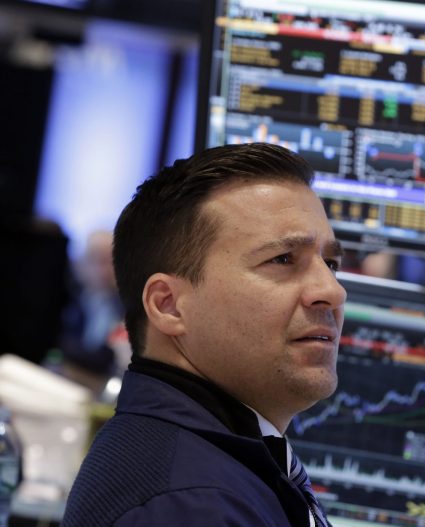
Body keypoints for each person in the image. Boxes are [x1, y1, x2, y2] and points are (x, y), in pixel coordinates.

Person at [62, 143, 347, 526]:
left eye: (330, 263)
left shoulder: (212, 463)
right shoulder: (191, 506)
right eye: (282, 259)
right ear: (168, 305)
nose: (332, 291)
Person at [59, 230, 126, 376]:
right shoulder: (67, 299)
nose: (103, 271)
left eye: (109, 261)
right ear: (80, 264)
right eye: (95, 261)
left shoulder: (128, 308)